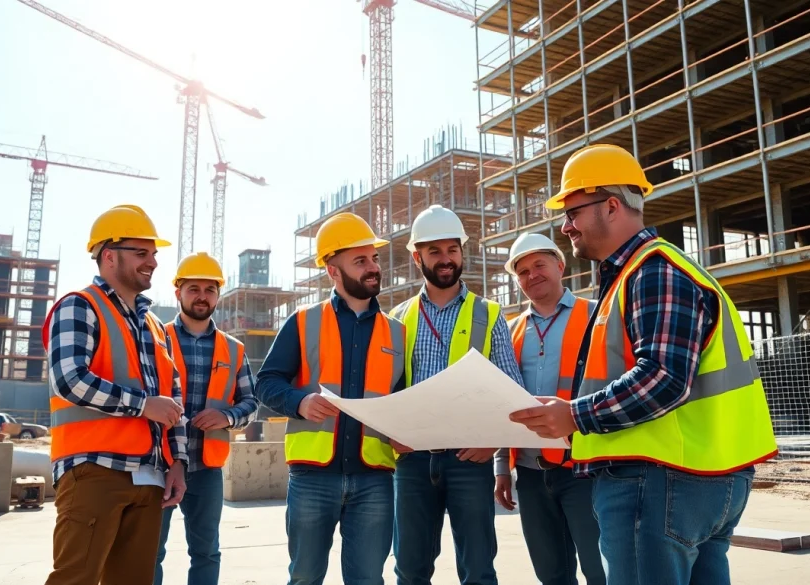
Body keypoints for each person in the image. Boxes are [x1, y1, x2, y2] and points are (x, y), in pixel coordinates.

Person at [509, 144, 778, 585]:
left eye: (573, 211)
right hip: (700, 478)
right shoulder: (646, 272)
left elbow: (664, 378)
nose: (566, 225)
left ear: (611, 206)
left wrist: (572, 415)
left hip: (659, 482)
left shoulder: (653, 271)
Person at [255, 212, 407, 585]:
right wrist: (299, 402)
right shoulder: (303, 322)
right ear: (333, 271)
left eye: (374, 258)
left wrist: (407, 434)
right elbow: (266, 383)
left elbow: (403, 401)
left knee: (369, 580)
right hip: (312, 477)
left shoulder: (399, 333)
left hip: (374, 477)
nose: (373, 268)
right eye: (360, 261)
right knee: (305, 578)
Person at [43, 204, 188, 585]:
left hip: (152, 477)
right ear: (109, 256)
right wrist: (144, 405)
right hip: (95, 471)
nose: (152, 262)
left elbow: (173, 402)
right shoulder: (80, 305)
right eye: (141, 253)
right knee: (76, 578)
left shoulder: (155, 325)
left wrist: (178, 463)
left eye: (154, 254)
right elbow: (69, 379)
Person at [388, 204, 523, 585]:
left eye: (452, 249)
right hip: (412, 462)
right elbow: (386, 390)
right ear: (418, 257)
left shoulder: (490, 314)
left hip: (469, 459)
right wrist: (391, 435)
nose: (445, 259)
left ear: (462, 252)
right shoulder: (398, 317)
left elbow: (510, 390)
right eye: (434, 251)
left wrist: (494, 442)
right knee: (410, 571)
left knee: (479, 570)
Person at [493, 232, 605, 585]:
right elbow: (501, 401)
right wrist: (501, 468)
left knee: (601, 570)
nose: (532, 275)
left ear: (559, 265)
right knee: (551, 574)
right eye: (522, 271)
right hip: (529, 474)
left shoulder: (596, 316)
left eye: (538, 265)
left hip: (585, 469)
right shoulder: (510, 332)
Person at [154, 251, 260, 585]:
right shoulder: (155, 340)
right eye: (194, 288)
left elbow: (251, 404)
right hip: (158, 463)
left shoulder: (234, 349)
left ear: (218, 295)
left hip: (207, 468)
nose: (202, 296)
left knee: (206, 552)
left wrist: (226, 417)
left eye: (209, 289)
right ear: (178, 293)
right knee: (149, 552)